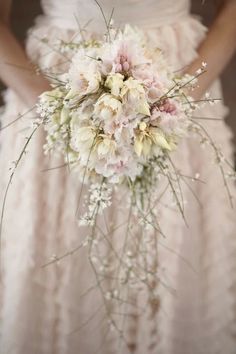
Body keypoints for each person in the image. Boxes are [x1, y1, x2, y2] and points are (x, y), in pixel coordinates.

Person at [0, 1, 236, 353]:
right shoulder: (54, 103)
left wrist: (184, 95)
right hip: (55, 86)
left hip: (176, 78)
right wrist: (56, 108)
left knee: (174, 256)